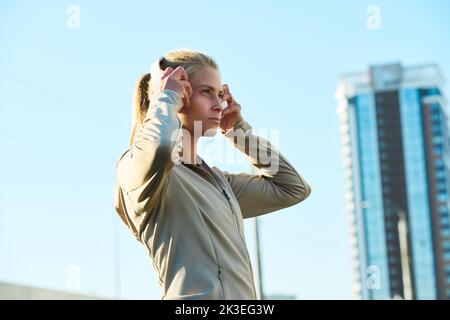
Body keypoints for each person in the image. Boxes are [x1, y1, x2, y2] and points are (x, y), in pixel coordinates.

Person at [113, 48, 311, 299]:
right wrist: (164, 98)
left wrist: (238, 130)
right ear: (175, 91)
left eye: (220, 94)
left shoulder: (220, 183)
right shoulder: (137, 173)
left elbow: (292, 188)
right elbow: (160, 147)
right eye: (206, 92)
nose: (219, 105)